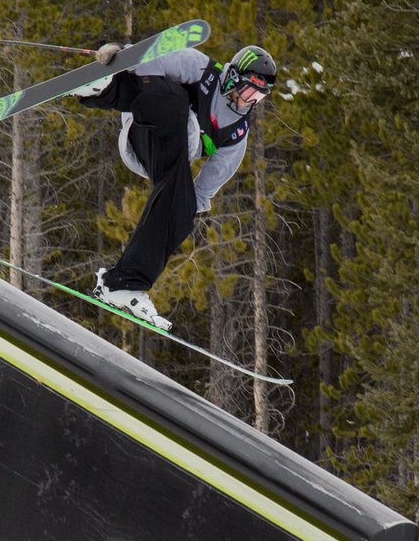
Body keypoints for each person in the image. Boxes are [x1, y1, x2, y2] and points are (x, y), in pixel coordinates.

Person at [71, 41, 276, 331]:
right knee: (172, 95)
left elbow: (204, 191)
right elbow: (147, 59)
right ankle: (99, 89)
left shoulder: (237, 133)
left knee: (183, 207)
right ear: (233, 77)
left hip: (165, 157)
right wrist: (118, 58)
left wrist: (181, 209)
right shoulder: (202, 70)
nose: (249, 101)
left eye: (258, 97)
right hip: (145, 128)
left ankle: (123, 284)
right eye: (248, 91)